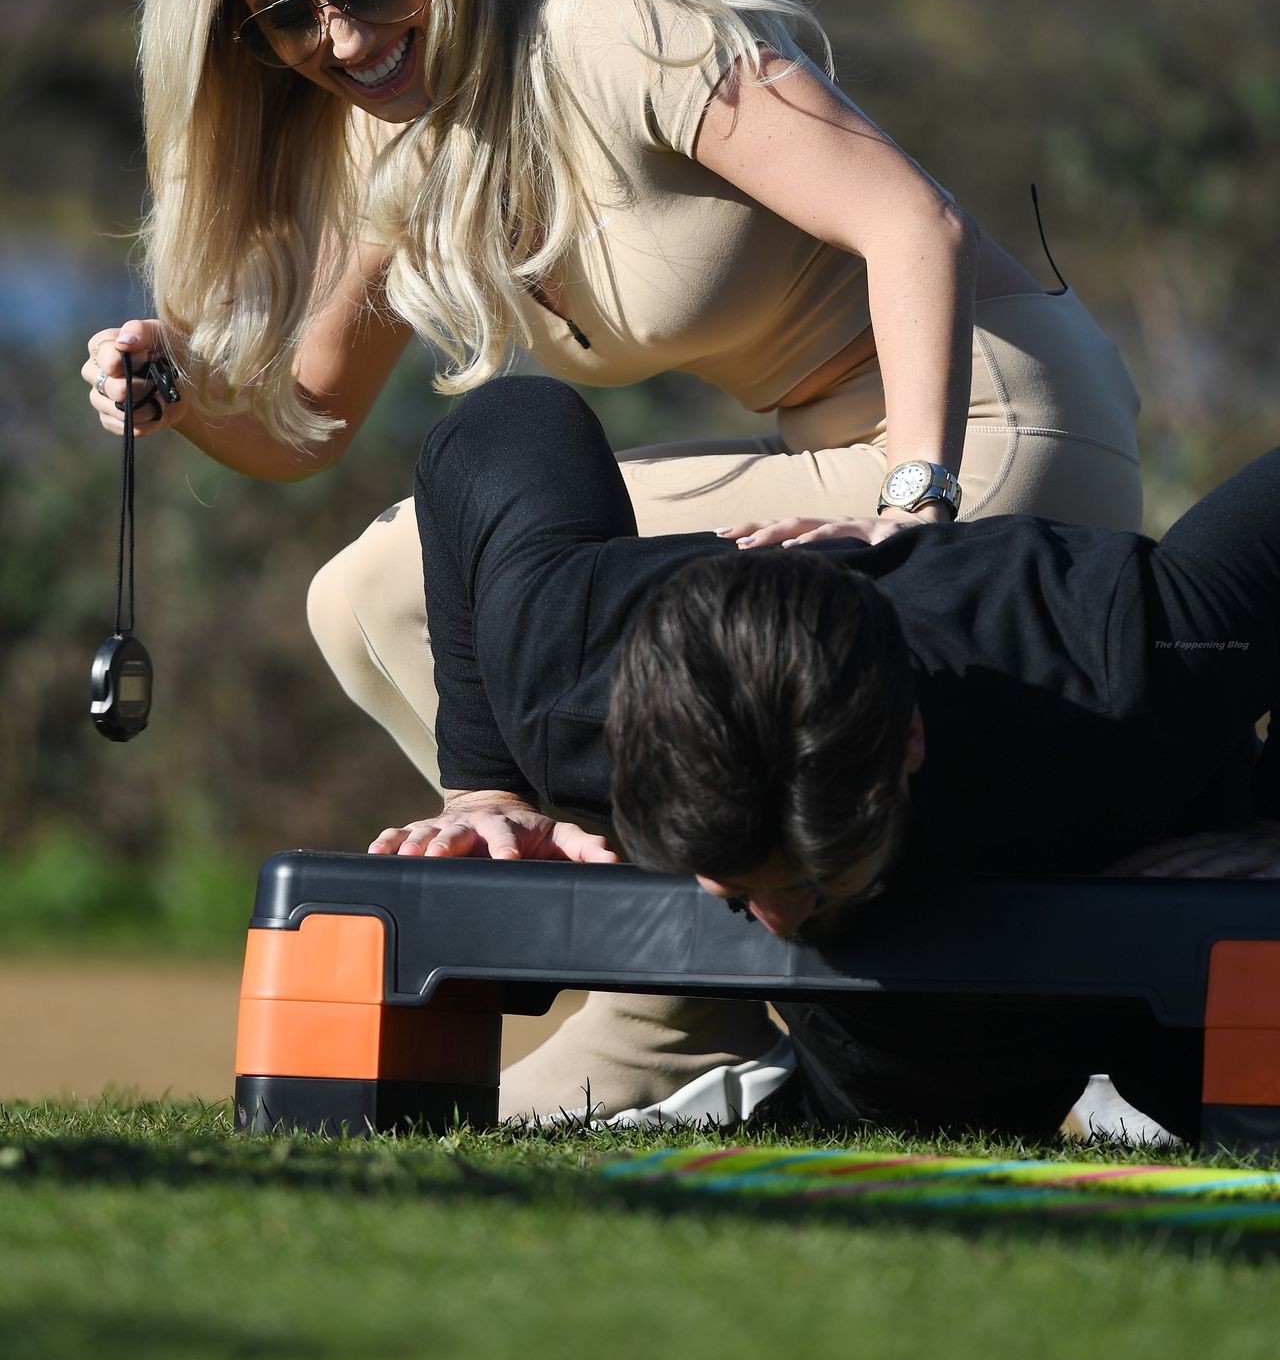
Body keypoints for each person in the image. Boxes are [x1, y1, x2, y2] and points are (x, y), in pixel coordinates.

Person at [83, 0, 1143, 1121]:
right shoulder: (394, 134)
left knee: (421, 582)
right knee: (368, 594)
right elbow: (310, 421)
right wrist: (181, 398)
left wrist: (915, 498)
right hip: (827, 447)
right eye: (289, 18)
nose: (341, 40)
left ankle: (681, 1007)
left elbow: (909, 223)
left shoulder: (610, 22)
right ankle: (669, 986)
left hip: (995, 421)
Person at [370, 376, 1277, 1140]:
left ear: (907, 747)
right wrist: (486, 789)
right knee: (918, 1128)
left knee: (1230, 1100)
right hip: (900, 1030)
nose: (775, 918)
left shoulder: (1129, 655)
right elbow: (506, 419)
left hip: (1165, 903)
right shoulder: (567, 677)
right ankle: (767, 1079)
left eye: (809, 879)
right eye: (738, 888)